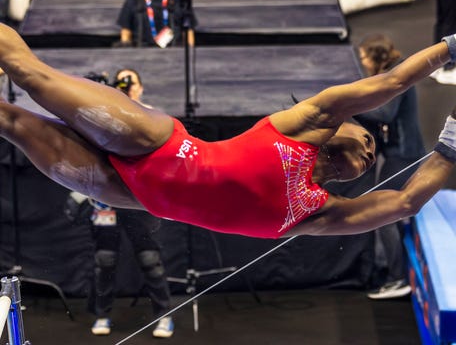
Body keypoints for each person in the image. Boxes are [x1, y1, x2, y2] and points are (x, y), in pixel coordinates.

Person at [0, 22, 454, 241]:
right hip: (154, 143)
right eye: (368, 138)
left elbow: (404, 203)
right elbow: (390, 83)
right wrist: (447, 50)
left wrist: (451, 147)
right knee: (29, 76)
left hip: (131, 192)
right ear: (342, 127)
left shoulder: (320, 214)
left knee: (11, 122)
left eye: (372, 155)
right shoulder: (305, 123)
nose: (371, 150)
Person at [88, 68, 174, 338]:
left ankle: (164, 316)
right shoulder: (105, 114)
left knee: (150, 259)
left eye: (130, 81)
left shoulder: (150, 115)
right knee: (105, 259)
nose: (126, 86)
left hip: (138, 199)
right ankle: (102, 315)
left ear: (141, 87)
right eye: (120, 82)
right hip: (107, 199)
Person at [355, 34, 425, 299]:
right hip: (401, 152)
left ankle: (397, 277)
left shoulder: (399, 77)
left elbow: (385, 114)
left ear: (375, 57)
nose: (361, 62)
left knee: (381, 211)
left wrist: (350, 105)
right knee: (383, 209)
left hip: (405, 155)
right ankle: (392, 267)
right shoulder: (392, 73)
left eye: (363, 56)